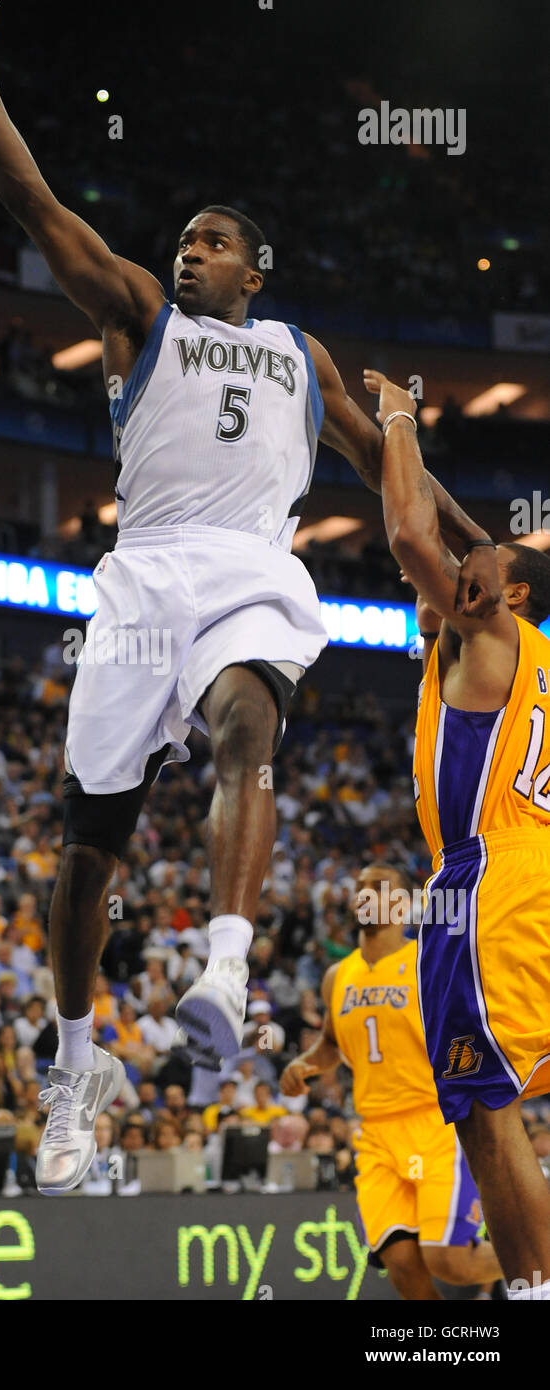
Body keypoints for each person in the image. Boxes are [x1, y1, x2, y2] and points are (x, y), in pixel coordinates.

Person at [0, 0, 499, 1196]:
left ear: (256, 267)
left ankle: (224, 965)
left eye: (212, 242)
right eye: (182, 238)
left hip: (246, 564)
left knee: (249, 722)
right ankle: (75, 1066)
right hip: (143, 574)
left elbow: (380, 465)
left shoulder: (300, 354)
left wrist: (473, 537)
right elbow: (35, 209)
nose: (188, 251)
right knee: (89, 847)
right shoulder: (138, 314)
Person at [364, 368, 550, 1301]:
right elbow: (441, 530)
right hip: (514, 873)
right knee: (481, 1107)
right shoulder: (525, 647)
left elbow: (408, 533)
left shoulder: (492, 635)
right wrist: (388, 440)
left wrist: (397, 417)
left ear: (507, 597)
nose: (466, 566)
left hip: (494, 874)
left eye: (485, 567)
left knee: (493, 1106)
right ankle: (525, 1290)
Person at [282, 862, 503, 1300]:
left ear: (403, 905)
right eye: (359, 887)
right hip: (376, 1132)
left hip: (435, 1124)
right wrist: (305, 1064)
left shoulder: (428, 963)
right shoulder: (336, 976)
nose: (364, 894)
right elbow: (331, 1043)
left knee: (451, 1262)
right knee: (401, 1265)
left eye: (378, 888)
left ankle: (538, 1250)